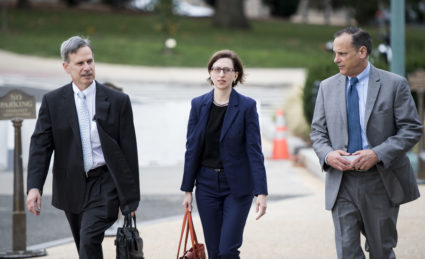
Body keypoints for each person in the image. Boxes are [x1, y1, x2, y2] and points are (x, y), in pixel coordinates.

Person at [310, 27, 423, 258]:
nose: (335, 59)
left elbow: (411, 129)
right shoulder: (326, 87)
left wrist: (377, 154)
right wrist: (328, 155)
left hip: (380, 179)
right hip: (341, 181)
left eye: (342, 53)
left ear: (362, 52)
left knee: (381, 250)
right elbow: (318, 133)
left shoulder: (394, 85)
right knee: (346, 251)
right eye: (334, 53)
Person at [25, 36, 140, 259]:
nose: (87, 67)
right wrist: (34, 187)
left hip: (105, 182)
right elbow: (41, 145)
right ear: (66, 67)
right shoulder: (53, 101)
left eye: (90, 61)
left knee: (89, 239)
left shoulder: (118, 101)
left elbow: (129, 151)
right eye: (80, 63)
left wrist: (131, 198)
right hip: (71, 185)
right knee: (84, 245)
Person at [180, 49, 268, 259]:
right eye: (217, 69)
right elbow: (192, 149)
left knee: (228, 250)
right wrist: (187, 189)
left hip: (236, 187)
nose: (221, 74)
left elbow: (254, 151)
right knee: (214, 251)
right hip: (206, 186)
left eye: (227, 70)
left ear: (236, 75)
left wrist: (261, 192)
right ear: (210, 73)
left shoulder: (247, 106)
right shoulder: (198, 105)